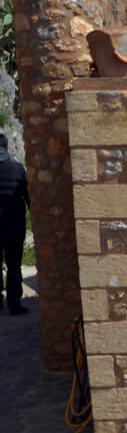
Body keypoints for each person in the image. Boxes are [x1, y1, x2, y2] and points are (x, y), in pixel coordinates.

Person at [0, 134, 27, 317]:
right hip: (14, 224)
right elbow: (28, 196)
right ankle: (14, 304)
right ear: (8, 148)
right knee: (14, 264)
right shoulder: (17, 169)